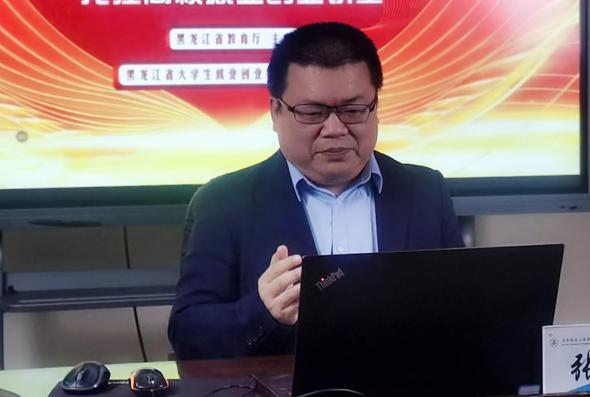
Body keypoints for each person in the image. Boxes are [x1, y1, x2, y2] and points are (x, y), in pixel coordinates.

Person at [167, 22, 464, 359]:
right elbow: (188, 334)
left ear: (375, 107)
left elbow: (464, 312)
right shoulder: (222, 203)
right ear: (276, 112)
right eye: (312, 113)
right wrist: (263, 311)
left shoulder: (424, 191)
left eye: (353, 111)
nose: (335, 129)